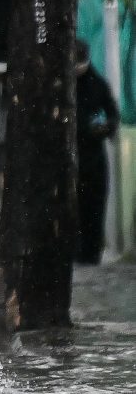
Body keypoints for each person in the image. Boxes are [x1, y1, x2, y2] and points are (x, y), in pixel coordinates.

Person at [75, 39, 121, 264]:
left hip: (93, 159)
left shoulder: (97, 84)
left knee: (93, 211)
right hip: (68, 159)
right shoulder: (60, 83)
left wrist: (105, 127)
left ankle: (91, 256)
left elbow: (113, 115)